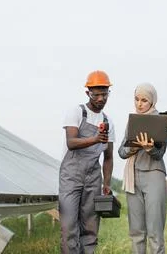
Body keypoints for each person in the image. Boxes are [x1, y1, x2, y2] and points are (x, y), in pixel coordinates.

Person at [59, 70, 115, 254]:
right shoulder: (76, 112)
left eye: (104, 93)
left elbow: (108, 157)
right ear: (87, 93)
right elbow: (71, 142)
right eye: (95, 94)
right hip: (71, 176)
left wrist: (106, 183)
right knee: (69, 226)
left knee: (90, 227)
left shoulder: (108, 121)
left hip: (93, 178)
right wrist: (96, 138)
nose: (100, 98)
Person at [118, 83, 167, 254]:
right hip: (133, 176)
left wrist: (149, 148)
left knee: (155, 231)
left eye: (144, 100)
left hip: (154, 175)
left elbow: (160, 153)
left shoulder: (161, 121)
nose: (139, 104)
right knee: (136, 231)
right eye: (136, 99)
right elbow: (121, 151)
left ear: (152, 101)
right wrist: (132, 148)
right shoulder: (132, 121)